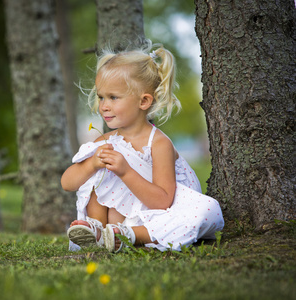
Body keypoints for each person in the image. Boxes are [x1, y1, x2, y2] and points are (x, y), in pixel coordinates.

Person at [61, 41, 224, 252]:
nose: (103, 105)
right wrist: (92, 164)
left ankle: (131, 236)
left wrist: (125, 171)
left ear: (144, 101)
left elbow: (163, 202)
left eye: (113, 97)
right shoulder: (105, 140)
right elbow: (67, 183)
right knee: (97, 171)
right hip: (116, 217)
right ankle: (98, 230)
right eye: (101, 97)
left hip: (155, 216)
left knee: (207, 210)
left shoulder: (158, 144)